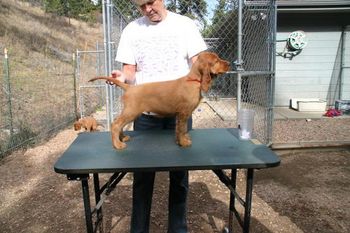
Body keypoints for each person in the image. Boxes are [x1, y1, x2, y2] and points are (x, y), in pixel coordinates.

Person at [111, 0, 207, 232]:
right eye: (141, 6)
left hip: (179, 111)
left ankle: (177, 229)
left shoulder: (185, 25)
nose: (147, 10)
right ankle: (139, 230)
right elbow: (129, 70)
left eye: (150, 3)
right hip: (147, 113)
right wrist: (122, 78)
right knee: (143, 178)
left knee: (179, 176)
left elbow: (200, 62)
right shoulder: (132, 29)